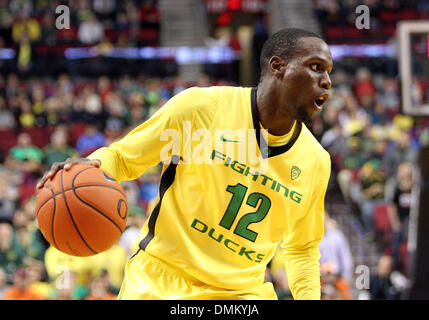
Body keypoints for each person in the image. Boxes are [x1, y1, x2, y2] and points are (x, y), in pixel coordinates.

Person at [37, 28, 333, 300]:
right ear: (277, 66)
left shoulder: (316, 163)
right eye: (316, 66)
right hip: (160, 281)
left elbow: (302, 249)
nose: (327, 82)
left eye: (329, 72)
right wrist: (87, 168)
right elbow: (123, 158)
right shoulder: (202, 109)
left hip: (239, 295)